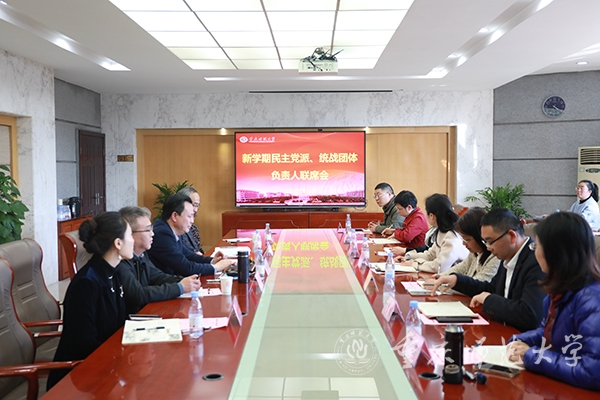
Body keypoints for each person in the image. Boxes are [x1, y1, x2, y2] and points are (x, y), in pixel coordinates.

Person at [507, 212, 600, 391]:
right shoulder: (561, 291)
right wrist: (518, 340)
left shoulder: (592, 300)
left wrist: (532, 356)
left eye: (537, 246)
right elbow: (548, 332)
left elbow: (593, 373)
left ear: (556, 253)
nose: (535, 252)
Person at [48, 212, 133, 389]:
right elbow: (84, 345)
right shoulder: (86, 283)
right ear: (118, 243)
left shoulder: (113, 272)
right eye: (130, 235)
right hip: (81, 376)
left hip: (110, 364)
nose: (133, 240)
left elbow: (119, 325)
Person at [430, 208, 546, 332]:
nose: (488, 248)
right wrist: (457, 280)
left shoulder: (537, 260)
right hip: (503, 330)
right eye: (485, 242)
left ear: (512, 236)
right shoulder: (508, 255)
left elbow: (530, 314)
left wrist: (489, 300)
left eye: (490, 242)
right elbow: (491, 289)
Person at [117, 206, 201, 314]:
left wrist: (185, 281)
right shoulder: (120, 261)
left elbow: (157, 277)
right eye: (147, 230)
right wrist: (179, 287)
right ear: (129, 234)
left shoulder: (142, 255)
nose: (152, 234)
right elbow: (138, 294)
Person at [147, 194, 235, 276]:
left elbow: (189, 255)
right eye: (189, 216)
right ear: (174, 216)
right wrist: (216, 267)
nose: (192, 221)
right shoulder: (162, 234)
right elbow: (186, 268)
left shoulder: (171, 229)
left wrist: (212, 261)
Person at [397, 193, 469, 273]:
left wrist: (415, 264)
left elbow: (439, 267)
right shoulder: (442, 231)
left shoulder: (451, 237)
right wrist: (409, 257)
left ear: (431, 216)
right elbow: (430, 255)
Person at [436, 207, 500, 282]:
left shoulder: (495, 258)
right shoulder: (475, 253)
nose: (463, 243)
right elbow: (460, 268)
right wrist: (440, 277)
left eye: (467, 239)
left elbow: (479, 283)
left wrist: (446, 282)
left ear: (479, 236)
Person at [177, 186, 204, 255]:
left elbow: (199, 251)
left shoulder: (193, 228)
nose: (195, 210)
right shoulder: (176, 229)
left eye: (197, 206)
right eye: (194, 205)